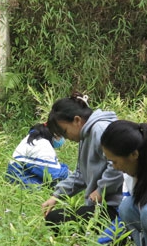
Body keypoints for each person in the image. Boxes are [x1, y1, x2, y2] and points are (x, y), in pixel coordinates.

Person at [41, 95, 124, 226]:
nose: (66, 137)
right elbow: (80, 175)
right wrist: (56, 196)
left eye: (65, 131)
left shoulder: (100, 129)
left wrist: (101, 190)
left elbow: (119, 165)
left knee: (57, 220)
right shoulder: (85, 135)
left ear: (77, 120)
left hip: (117, 207)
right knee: (55, 218)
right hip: (100, 205)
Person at [5, 123, 70, 187]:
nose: (63, 140)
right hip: (25, 184)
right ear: (55, 135)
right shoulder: (42, 145)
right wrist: (68, 172)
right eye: (61, 137)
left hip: (18, 178)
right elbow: (54, 175)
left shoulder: (32, 140)